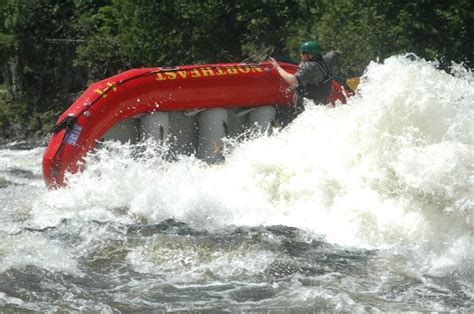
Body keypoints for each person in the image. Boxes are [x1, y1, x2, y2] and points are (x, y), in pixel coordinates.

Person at [269, 40, 340, 125]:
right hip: (323, 98)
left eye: (302, 53)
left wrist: (277, 67)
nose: (300, 55)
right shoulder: (327, 59)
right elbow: (335, 53)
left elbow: (292, 80)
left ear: (308, 55)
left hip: (309, 102)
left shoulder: (309, 67)